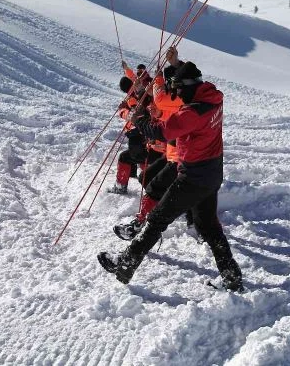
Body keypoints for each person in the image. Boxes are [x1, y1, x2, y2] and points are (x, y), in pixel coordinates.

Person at [98, 60, 244, 292]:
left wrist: (138, 119)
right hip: (212, 172)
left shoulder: (192, 111)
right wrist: (176, 64)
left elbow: (161, 132)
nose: (176, 94)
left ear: (187, 86)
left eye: (177, 89)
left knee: (156, 220)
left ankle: (125, 264)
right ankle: (232, 277)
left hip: (193, 176)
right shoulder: (214, 96)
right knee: (209, 226)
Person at [113, 47, 186, 240]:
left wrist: (134, 115)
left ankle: (156, 214)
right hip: (161, 148)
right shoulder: (142, 94)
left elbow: (153, 110)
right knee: (148, 177)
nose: (137, 81)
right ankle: (149, 215)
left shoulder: (153, 98)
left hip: (163, 148)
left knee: (151, 177)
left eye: (139, 78)